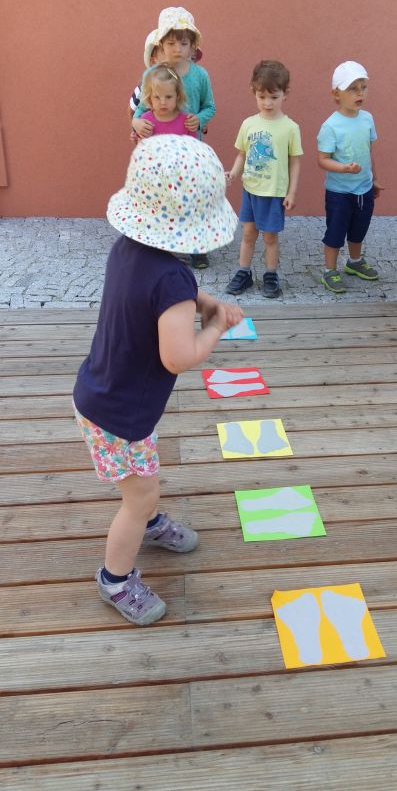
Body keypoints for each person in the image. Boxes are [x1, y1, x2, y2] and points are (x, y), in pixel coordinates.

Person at [73, 135, 241, 626]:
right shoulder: (173, 281)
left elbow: (165, 294)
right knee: (140, 493)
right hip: (120, 416)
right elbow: (179, 356)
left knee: (142, 482)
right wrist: (215, 325)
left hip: (103, 395)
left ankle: (148, 523)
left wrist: (201, 301)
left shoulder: (128, 250)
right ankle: (115, 580)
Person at [130, 8, 216, 269]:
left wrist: (199, 119)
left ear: (193, 46)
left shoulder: (200, 76)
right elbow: (142, 108)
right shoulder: (152, 75)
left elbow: (210, 107)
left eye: (183, 43)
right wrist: (136, 122)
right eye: (171, 43)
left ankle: (196, 247)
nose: (177, 48)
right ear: (161, 46)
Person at [225, 60, 302, 299]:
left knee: (270, 236)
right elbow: (242, 153)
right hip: (251, 190)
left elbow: (295, 162)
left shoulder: (290, 128)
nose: (268, 103)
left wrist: (291, 192)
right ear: (254, 92)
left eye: (274, 97)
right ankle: (244, 272)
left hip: (273, 193)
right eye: (262, 97)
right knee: (248, 233)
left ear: (285, 94)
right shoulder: (248, 124)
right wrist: (234, 172)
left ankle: (271, 275)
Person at [317, 60, 382, 295]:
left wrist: (374, 179)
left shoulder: (367, 119)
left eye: (363, 87)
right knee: (335, 231)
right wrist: (344, 168)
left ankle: (354, 262)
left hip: (364, 188)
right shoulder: (330, 126)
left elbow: (368, 152)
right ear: (336, 94)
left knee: (359, 229)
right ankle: (329, 270)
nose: (360, 93)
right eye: (352, 89)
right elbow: (322, 159)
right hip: (339, 192)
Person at [138, 63, 195, 137]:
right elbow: (141, 143)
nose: (163, 102)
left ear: (177, 96)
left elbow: (193, 143)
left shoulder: (187, 122)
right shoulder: (145, 120)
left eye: (168, 97)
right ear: (150, 98)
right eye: (157, 97)